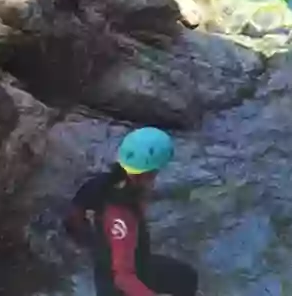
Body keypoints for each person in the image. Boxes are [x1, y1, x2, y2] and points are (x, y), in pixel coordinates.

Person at [67, 127, 199, 296]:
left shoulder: (103, 183)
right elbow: (123, 278)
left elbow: (74, 215)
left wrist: (91, 243)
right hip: (118, 284)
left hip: (130, 262)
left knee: (186, 277)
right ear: (148, 174)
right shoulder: (122, 217)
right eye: (155, 173)